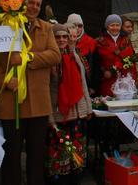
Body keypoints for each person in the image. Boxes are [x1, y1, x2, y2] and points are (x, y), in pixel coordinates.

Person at [0, 0, 61, 185]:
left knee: (36, 157)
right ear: (21, 3)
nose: (34, 7)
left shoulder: (46, 28)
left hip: (39, 105)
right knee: (11, 158)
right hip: (10, 104)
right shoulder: (2, 27)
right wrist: (4, 79)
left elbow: (55, 55)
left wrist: (28, 57)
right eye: (31, 2)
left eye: (38, 5)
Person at [45, 23, 92, 184]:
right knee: (60, 153)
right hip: (59, 114)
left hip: (77, 111)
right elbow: (46, 90)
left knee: (76, 154)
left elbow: (82, 83)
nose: (62, 39)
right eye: (58, 37)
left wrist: (88, 108)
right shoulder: (49, 59)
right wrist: (50, 118)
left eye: (65, 36)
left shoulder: (74, 55)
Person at [94, 14, 137, 97]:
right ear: (107, 27)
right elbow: (97, 63)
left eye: (117, 25)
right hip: (108, 82)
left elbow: (131, 61)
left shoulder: (126, 41)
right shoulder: (99, 42)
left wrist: (134, 78)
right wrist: (103, 72)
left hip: (125, 82)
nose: (115, 28)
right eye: (112, 25)